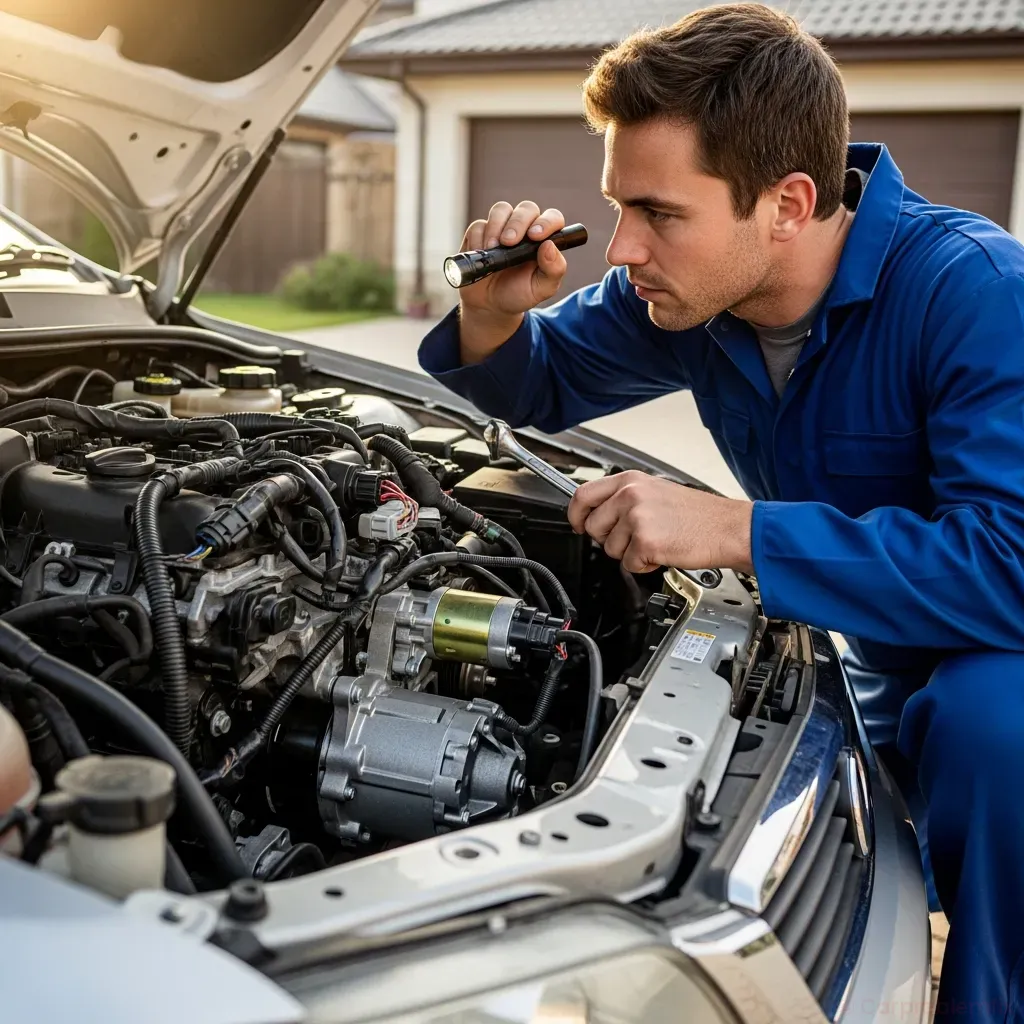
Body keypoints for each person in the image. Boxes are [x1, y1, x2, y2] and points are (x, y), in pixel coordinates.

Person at [418, 2, 1024, 1016]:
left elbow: (1009, 565)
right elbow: (540, 382)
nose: (621, 249)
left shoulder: (975, 293)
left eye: (657, 212)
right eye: (618, 207)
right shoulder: (696, 297)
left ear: (786, 203)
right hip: (878, 657)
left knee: (988, 723)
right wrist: (492, 315)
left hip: (994, 668)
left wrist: (731, 530)